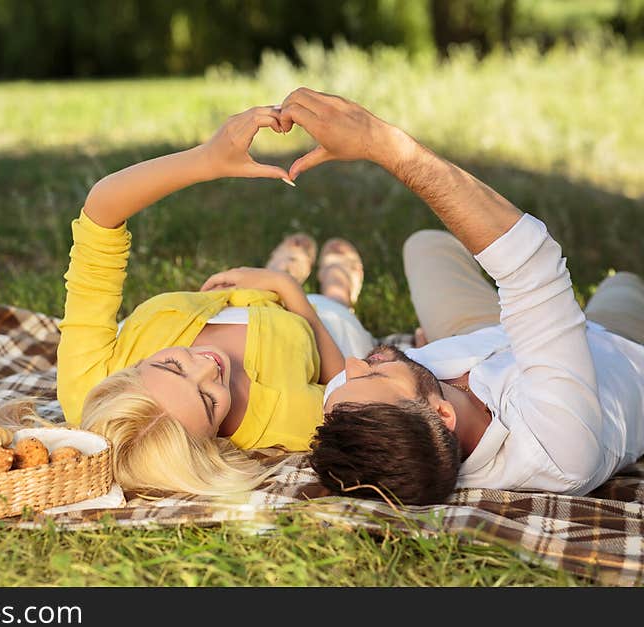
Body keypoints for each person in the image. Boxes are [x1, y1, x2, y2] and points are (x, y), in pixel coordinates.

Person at [276, 87, 644, 505]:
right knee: (623, 285)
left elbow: (353, 382)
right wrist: (382, 143)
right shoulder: (556, 451)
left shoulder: (351, 401)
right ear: (441, 415)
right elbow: (532, 262)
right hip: (619, 350)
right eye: (374, 375)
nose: (353, 365)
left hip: (487, 332)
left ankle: (542, 312)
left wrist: (429, 356)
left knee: (424, 245)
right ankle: (598, 299)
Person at [57, 106, 375, 497]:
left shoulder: (88, 387)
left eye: (173, 365)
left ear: (130, 373)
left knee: (259, 281)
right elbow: (349, 393)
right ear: (208, 445)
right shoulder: (279, 419)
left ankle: (282, 268)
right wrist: (289, 292)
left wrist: (206, 159)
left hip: (238, 296)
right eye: (209, 401)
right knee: (335, 311)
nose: (208, 368)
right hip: (318, 325)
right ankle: (334, 288)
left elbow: (100, 217)